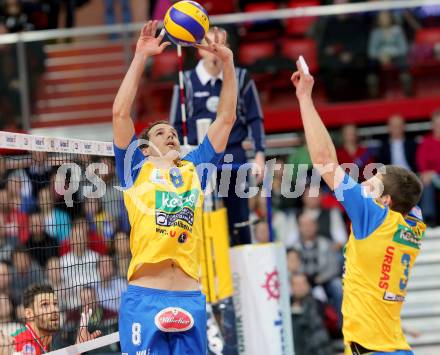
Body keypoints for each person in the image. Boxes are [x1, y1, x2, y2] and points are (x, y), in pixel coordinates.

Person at [113, 21, 237, 354]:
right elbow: (120, 113)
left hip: (189, 297)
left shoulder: (195, 168)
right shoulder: (134, 168)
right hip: (145, 299)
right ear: (143, 146)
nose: (171, 135)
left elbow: (225, 120)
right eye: (160, 133)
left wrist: (228, 64)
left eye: (173, 133)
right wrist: (140, 56)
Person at [291, 57, 425, 354]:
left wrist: (305, 98)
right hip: (388, 346)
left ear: (385, 200)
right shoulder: (414, 225)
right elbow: (411, 194)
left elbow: (325, 161)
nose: (364, 183)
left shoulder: (375, 217)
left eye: (373, 181)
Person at [170, 26, 265, 246]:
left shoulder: (240, 77)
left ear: (227, 49)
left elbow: (255, 119)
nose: (214, 48)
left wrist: (259, 154)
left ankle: (241, 265)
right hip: (198, 158)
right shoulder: (186, 80)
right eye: (209, 43)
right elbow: (174, 125)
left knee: (239, 220)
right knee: (199, 220)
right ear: (200, 50)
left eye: (220, 43)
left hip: (234, 156)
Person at [12, 283, 100, 354]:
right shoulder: (20, 342)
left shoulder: (49, 338)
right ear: (29, 314)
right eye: (45, 305)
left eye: (55, 303)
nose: (54, 310)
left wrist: (79, 346)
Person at [416, 110, 440, 226]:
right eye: (436, 124)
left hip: (436, 176)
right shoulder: (426, 141)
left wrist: (433, 173)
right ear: (432, 125)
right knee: (427, 182)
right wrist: (427, 173)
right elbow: (421, 161)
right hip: (429, 178)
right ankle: (429, 220)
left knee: (430, 178)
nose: (438, 127)